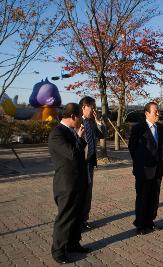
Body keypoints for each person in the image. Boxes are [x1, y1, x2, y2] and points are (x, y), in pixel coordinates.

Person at [48, 103, 91, 264]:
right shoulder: (57, 133)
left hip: (78, 181)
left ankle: (73, 243)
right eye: (80, 116)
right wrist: (80, 138)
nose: (82, 119)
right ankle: (58, 250)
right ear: (73, 116)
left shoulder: (71, 131)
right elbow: (72, 154)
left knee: (77, 215)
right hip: (66, 184)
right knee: (65, 217)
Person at [128, 102, 163, 235]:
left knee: (154, 197)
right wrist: (139, 162)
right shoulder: (138, 128)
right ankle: (140, 224)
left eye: (158, 111)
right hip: (143, 169)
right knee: (142, 197)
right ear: (147, 113)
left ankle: (150, 221)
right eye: (155, 112)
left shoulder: (160, 127)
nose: (158, 114)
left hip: (157, 169)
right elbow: (132, 147)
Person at [79, 96, 104, 231]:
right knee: (79, 192)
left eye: (95, 107)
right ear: (84, 107)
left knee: (88, 192)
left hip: (89, 163)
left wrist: (99, 121)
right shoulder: (76, 121)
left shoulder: (93, 121)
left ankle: (84, 219)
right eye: (92, 107)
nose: (94, 110)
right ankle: (77, 220)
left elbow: (103, 135)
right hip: (79, 163)